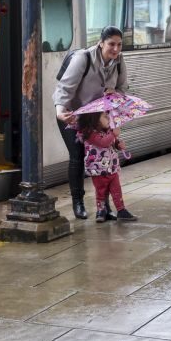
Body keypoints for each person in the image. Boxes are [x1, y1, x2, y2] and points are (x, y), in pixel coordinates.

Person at [53, 25, 127, 220]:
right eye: (111, 44)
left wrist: (116, 94)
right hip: (72, 116)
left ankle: (104, 208)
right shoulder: (83, 59)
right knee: (77, 156)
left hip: (97, 119)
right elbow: (65, 88)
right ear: (101, 43)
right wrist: (60, 110)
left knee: (103, 158)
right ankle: (78, 203)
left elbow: (122, 88)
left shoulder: (119, 60)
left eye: (119, 45)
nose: (116, 49)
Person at [75, 111, 137, 223]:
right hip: (98, 169)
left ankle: (121, 210)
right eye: (105, 116)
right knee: (101, 191)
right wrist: (113, 134)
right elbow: (102, 142)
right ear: (94, 119)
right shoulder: (90, 133)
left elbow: (111, 143)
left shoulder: (108, 131)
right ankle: (101, 210)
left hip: (112, 167)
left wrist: (118, 145)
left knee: (116, 190)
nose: (109, 118)